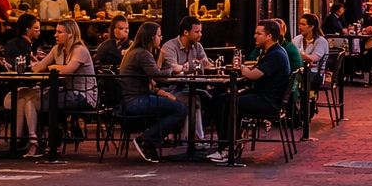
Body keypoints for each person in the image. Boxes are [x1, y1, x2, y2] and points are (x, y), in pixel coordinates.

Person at [205, 20, 290, 164]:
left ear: (269, 36)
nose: (254, 36)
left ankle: (226, 149)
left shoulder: (276, 54)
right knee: (220, 99)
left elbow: (253, 75)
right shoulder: (274, 52)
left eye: (258, 33)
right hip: (264, 96)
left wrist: (240, 67)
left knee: (226, 103)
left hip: (268, 101)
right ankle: (230, 143)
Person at [15, 19, 96, 158]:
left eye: (59, 32)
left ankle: (35, 142)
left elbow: (67, 70)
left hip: (84, 96)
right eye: (56, 32)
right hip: (66, 93)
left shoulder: (79, 50)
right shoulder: (57, 49)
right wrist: (32, 65)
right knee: (26, 97)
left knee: (36, 101)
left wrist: (53, 67)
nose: (55, 35)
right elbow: (40, 67)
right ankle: (27, 140)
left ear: (70, 34)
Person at [118, 22, 187, 163]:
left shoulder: (133, 51)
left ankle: (150, 139)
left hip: (130, 99)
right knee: (180, 109)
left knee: (175, 103)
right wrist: (174, 69)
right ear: (150, 37)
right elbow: (158, 76)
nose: (161, 38)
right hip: (136, 101)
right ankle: (148, 140)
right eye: (159, 35)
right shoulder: (142, 54)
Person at [159, 16, 209, 146]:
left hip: (188, 87)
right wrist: (192, 66)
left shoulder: (197, 46)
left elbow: (207, 64)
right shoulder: (170, 46)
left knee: (209, 98)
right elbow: (173, 68)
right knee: (194, 99)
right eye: (197, 32)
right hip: (169, 90)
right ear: (186, 32)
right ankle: (194, 139)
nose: (200, 35)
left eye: (200, 31)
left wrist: (203, 64)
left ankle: (190, 138)